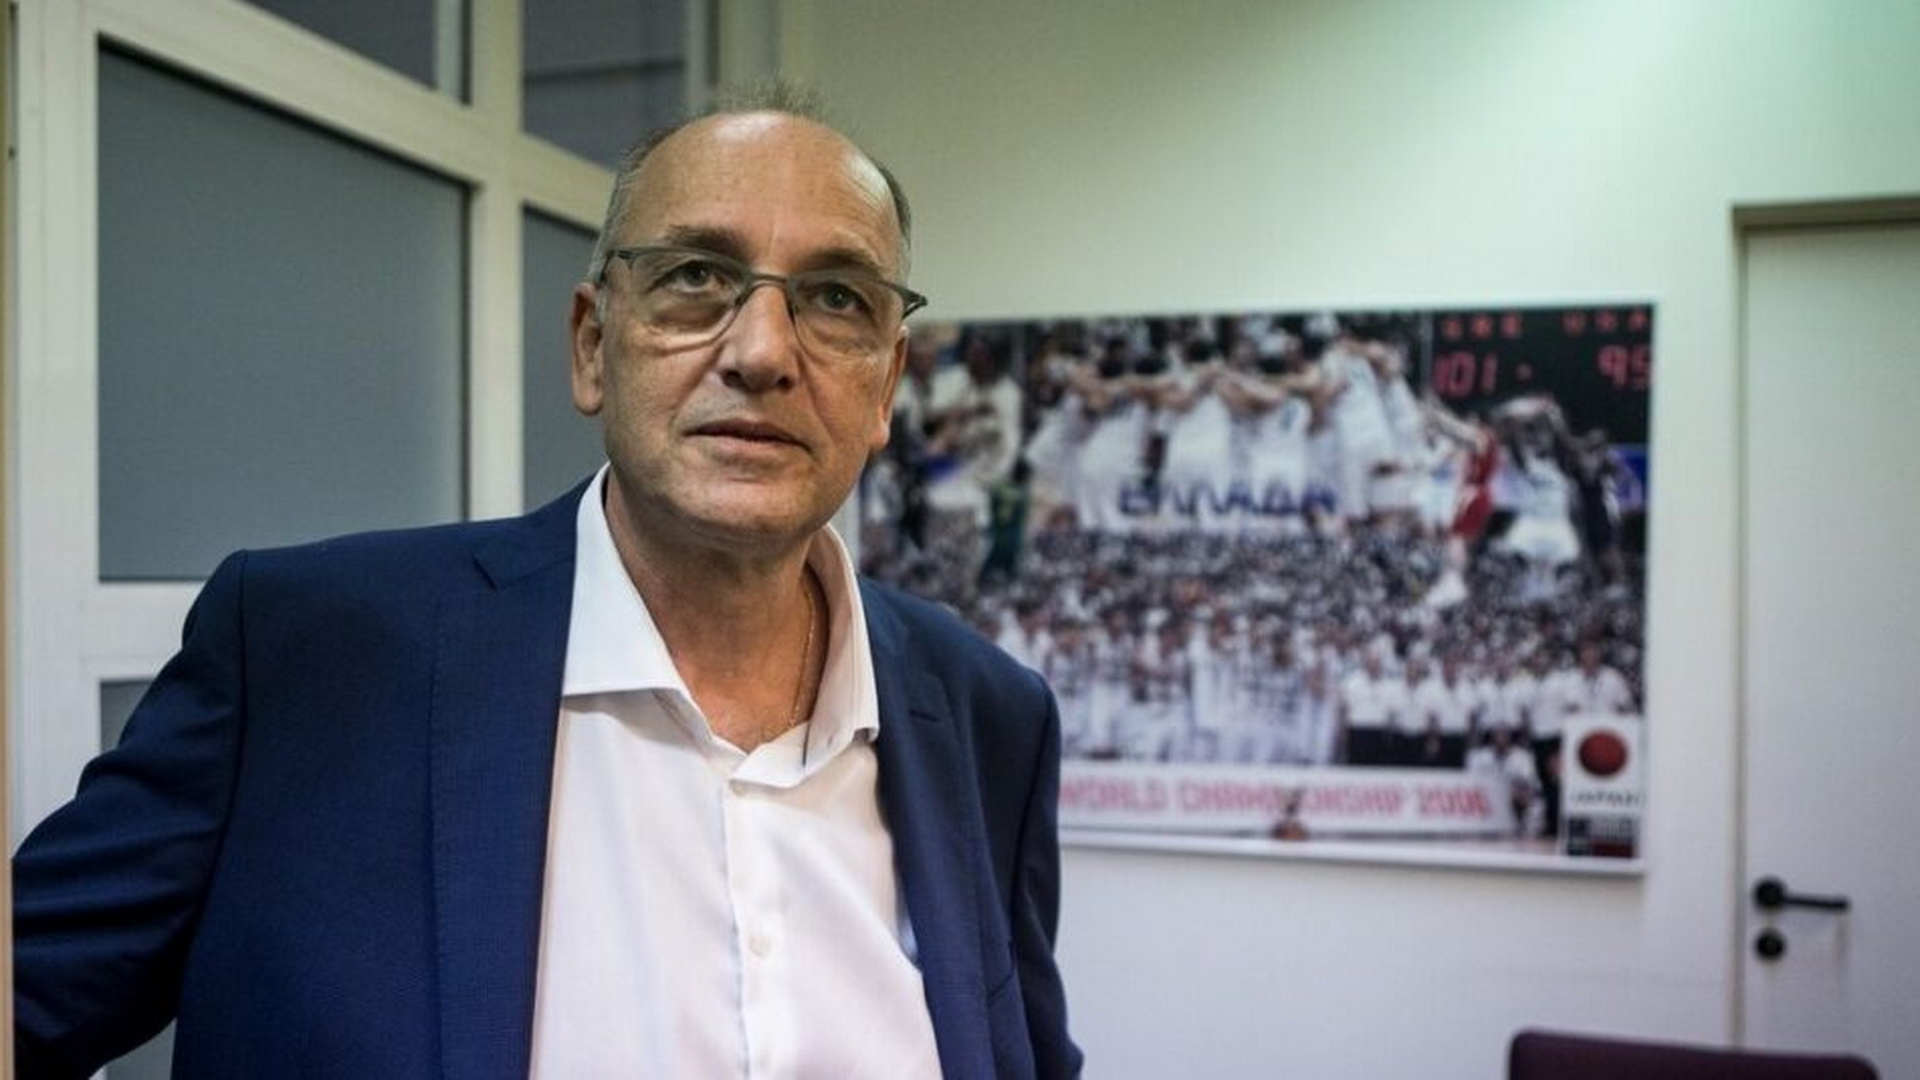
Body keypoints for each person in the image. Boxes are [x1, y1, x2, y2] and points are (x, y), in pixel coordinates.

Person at [12, 86, 1080, 1079]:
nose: (762, 351)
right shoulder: (308, 659)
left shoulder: (988, 718)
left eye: (837, 297)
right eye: (695, 277)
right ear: (591, 345)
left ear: (887, 386)